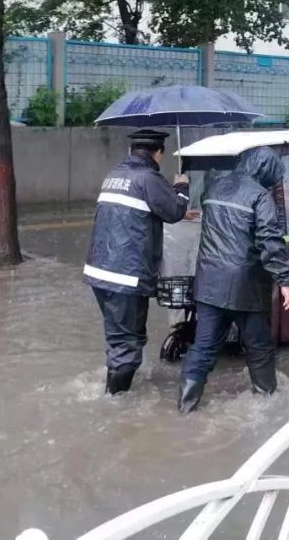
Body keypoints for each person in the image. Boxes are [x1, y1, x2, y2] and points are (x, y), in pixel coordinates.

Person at [178, 147, 289, 413]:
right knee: (259, 347)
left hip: (209, 283)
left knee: (204, 347)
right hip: (247, 287)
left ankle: (185, 410)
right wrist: (286, 282)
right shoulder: (260, 197)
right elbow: (270, 241)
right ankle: (268, 403)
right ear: (266, 171)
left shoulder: (213, 189)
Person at [85, 129, 190, 395]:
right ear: (159, 153)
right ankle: (115, 405)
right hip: (126, 276)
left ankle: (117, 386)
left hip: (100, 272)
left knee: (119, 338)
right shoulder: (148, 178)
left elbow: (135, 213)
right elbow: (174, 211)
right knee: (127, 345)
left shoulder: (115, 175)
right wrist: (181, 186)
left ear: (131, 151)